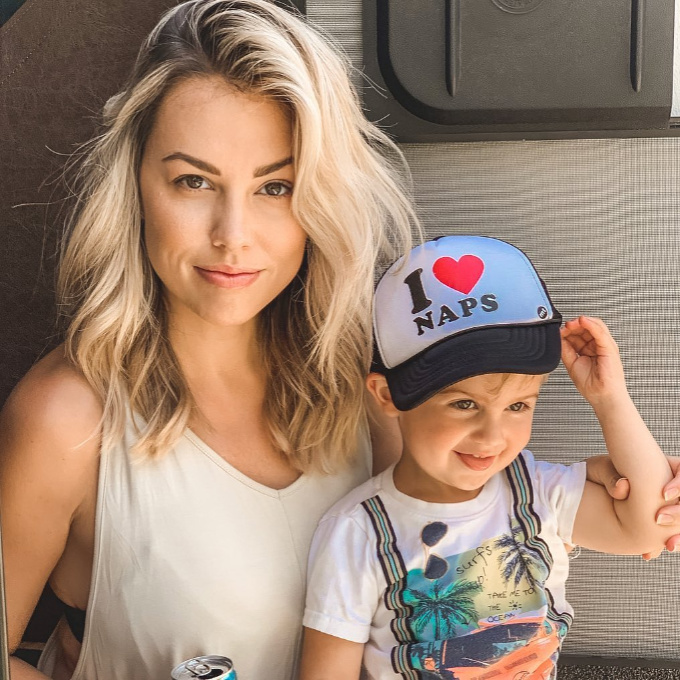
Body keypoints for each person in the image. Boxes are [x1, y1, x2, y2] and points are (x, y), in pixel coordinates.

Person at [1, 3, 679, 680]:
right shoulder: (66, 418)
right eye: (194, 181)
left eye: (275, 186)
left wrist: (585, 481)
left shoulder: (363, 377)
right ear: (136, 185)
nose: (232, 234)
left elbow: (451, 515)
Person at [299, 235, 678, 680]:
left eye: (518, 406)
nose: (492, 436)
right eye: (463, 404)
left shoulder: (537, 491)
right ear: (388, 396)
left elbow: (652, 527)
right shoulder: (357, 532)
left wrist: (609, 398)